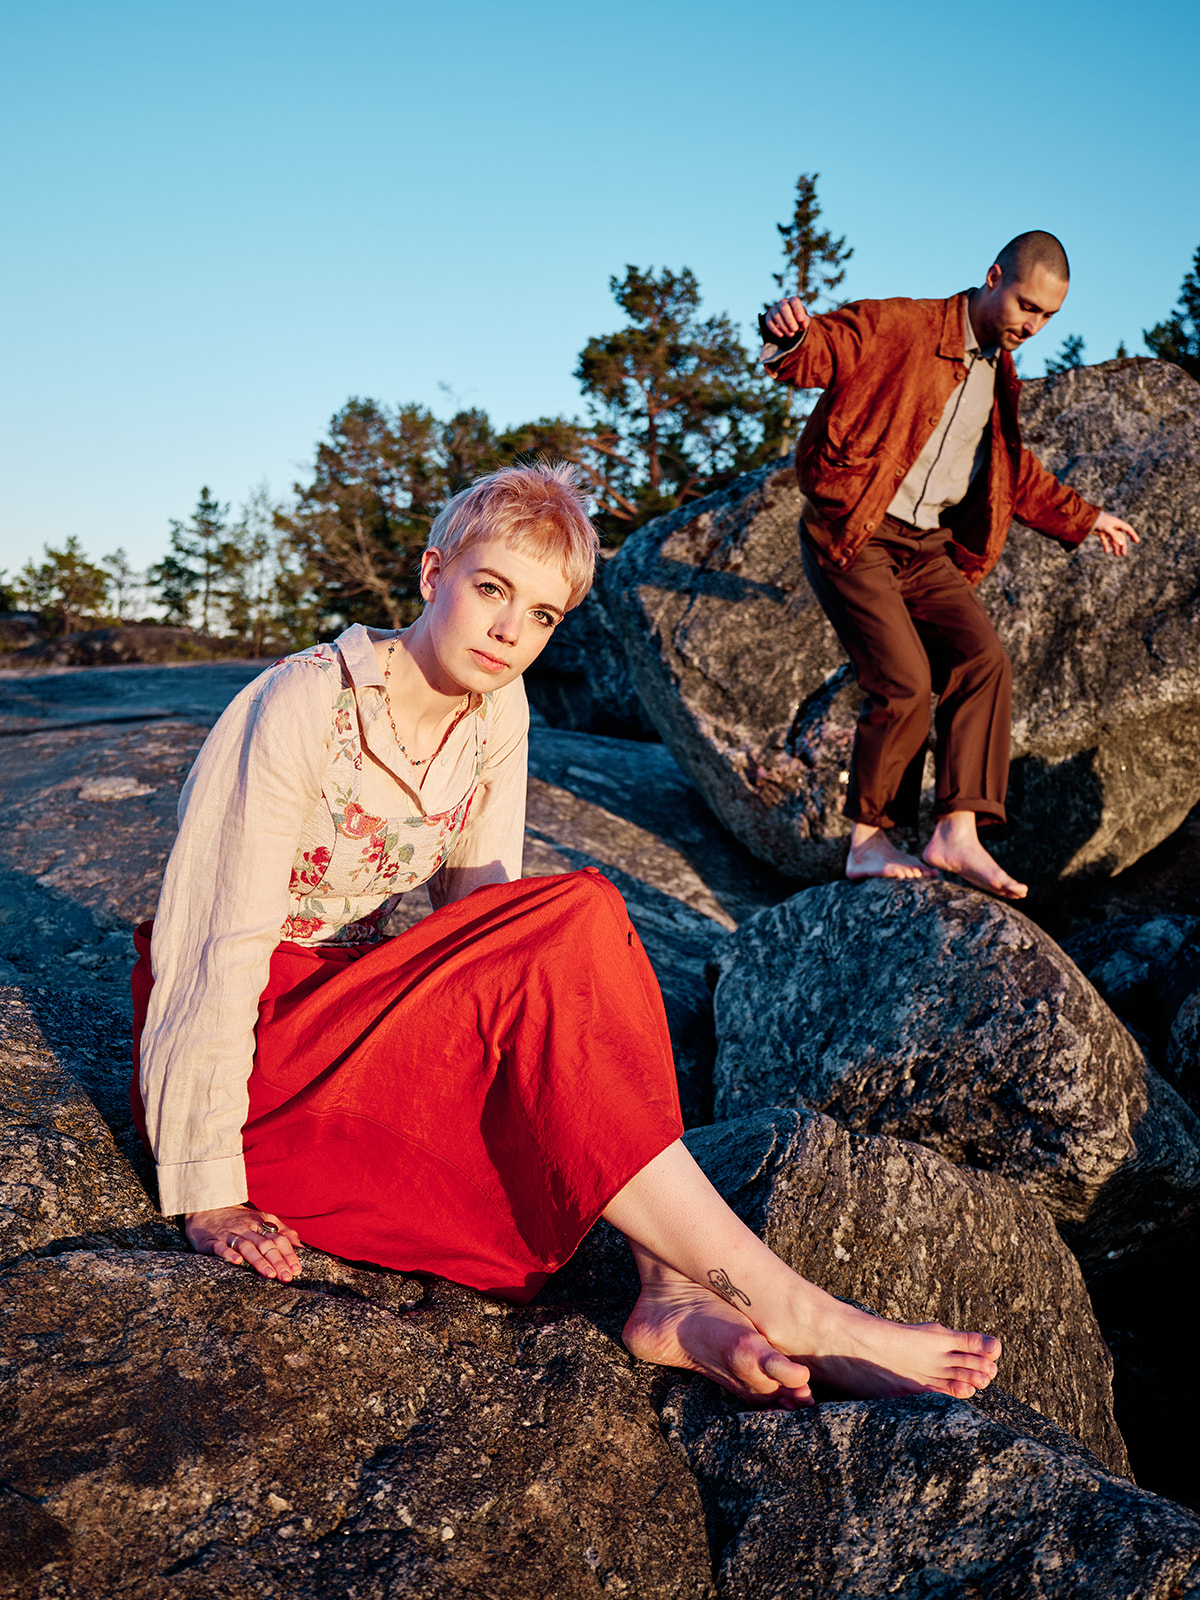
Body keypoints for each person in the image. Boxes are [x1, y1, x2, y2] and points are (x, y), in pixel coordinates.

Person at [131, 460, 1001, 1409]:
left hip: (359, 1021)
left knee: (580, 925)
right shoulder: (303, 703)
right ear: (433, 575)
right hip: (269, 1061)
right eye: (492, 589)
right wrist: (207, 1188)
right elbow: (212, 949)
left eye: (542, 616)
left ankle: (668, 1286)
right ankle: (796, 1306)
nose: (510, 632)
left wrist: (521, 1078)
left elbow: (486, 929)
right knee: (576, 913)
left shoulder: (496, 708)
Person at [760, 230, 1139, 899]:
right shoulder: (902, 325)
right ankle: (869, 841)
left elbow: (1009, 472)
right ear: (994, 277)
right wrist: (792, 335)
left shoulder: (998, 374)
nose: (1034, 324)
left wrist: (1087, 519)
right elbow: (822, 350)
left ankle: (956, 831)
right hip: (856, 531)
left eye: (1049, 316)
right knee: (903, 681)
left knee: (982, 659)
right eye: (1026, 304)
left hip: (926, 548)